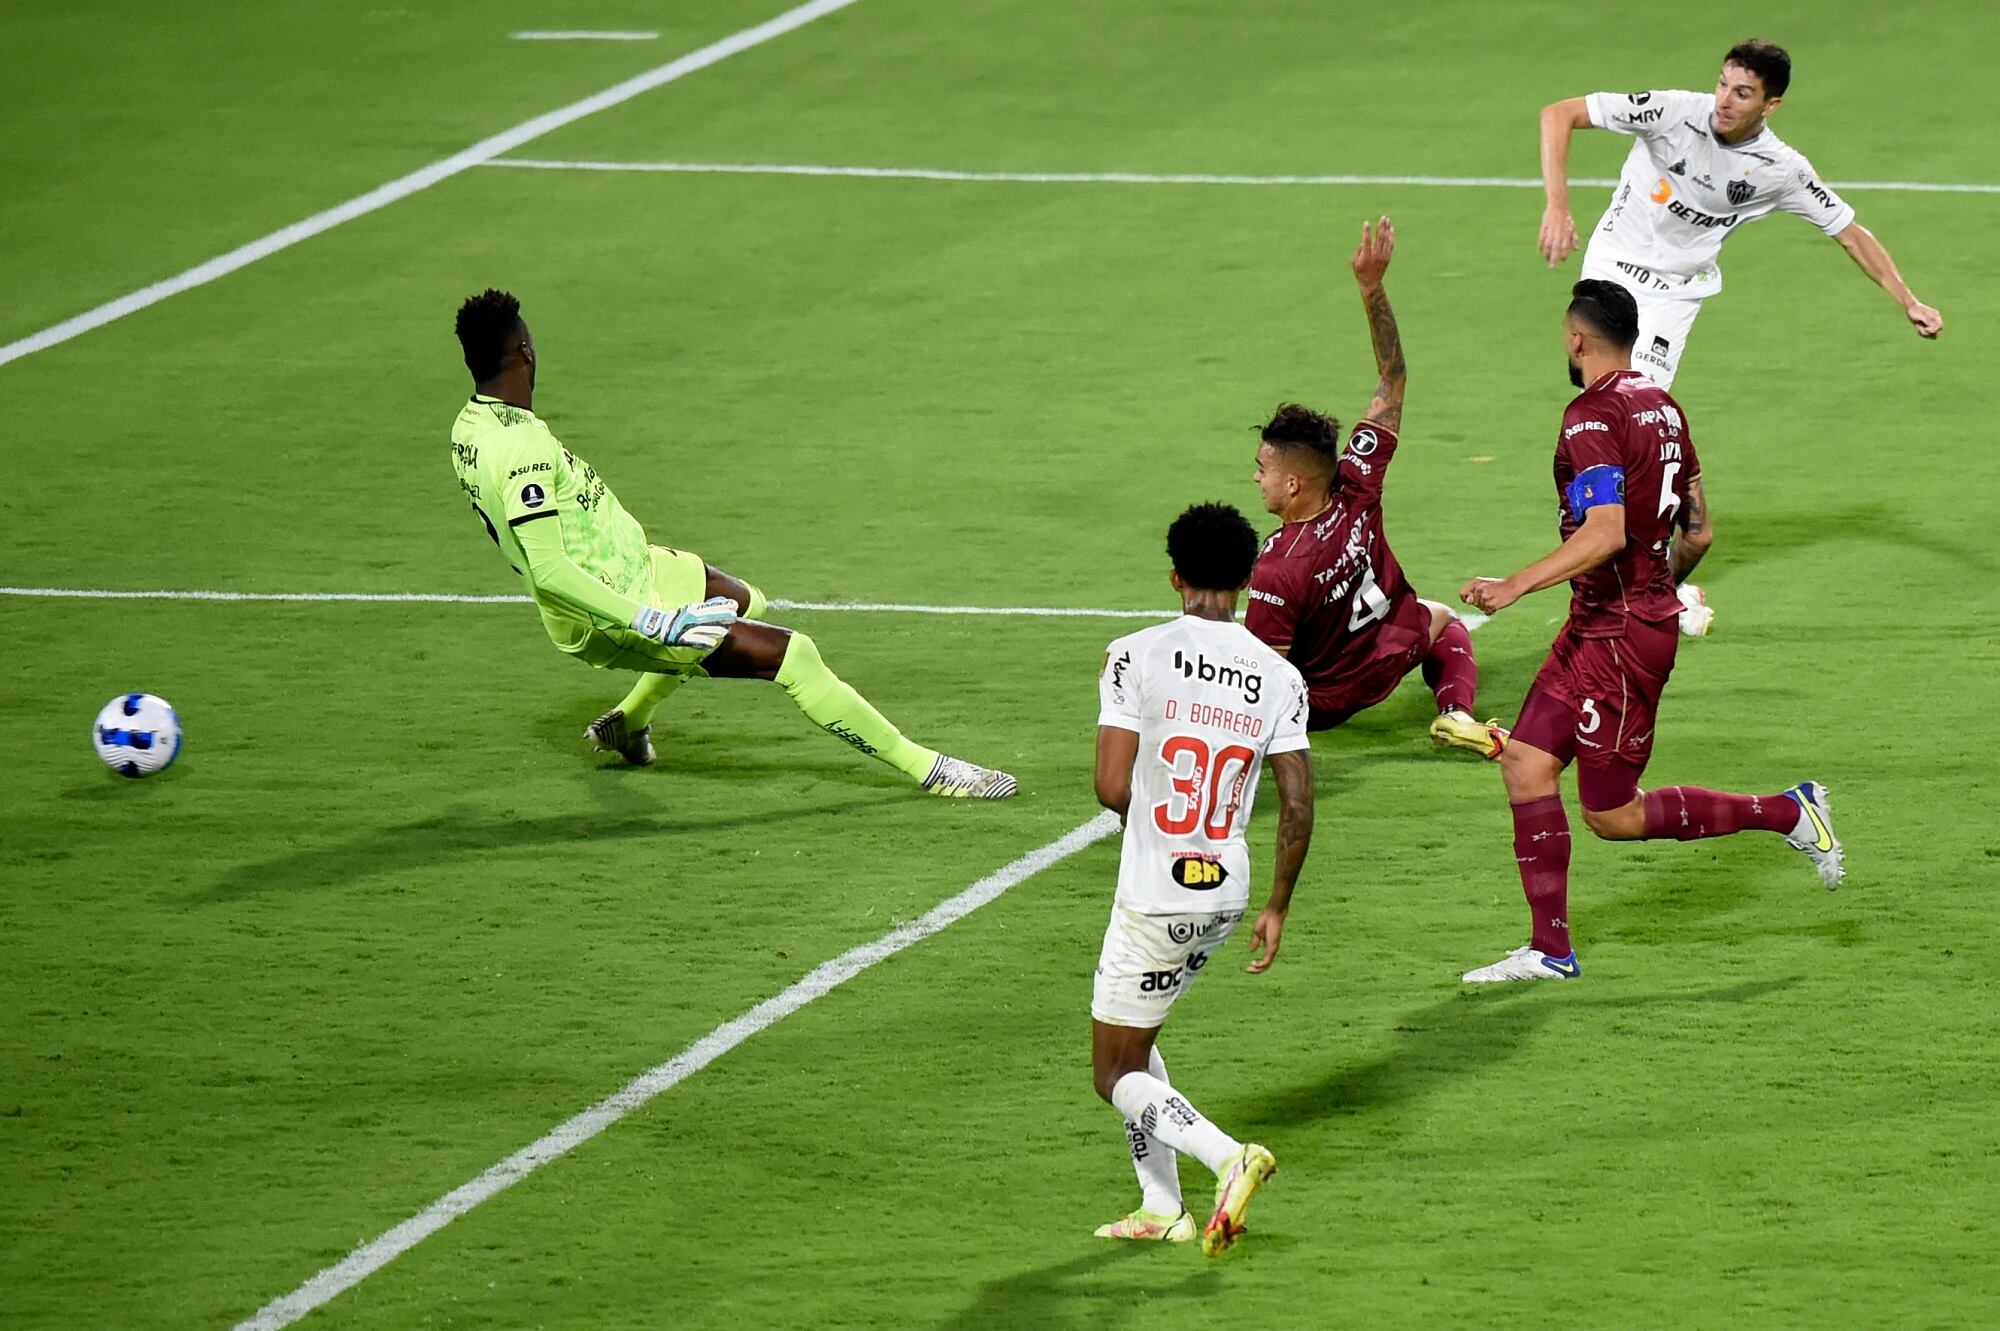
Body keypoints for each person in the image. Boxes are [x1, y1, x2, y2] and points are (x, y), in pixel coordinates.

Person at [447, 289, 1015, 797]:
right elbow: (549, 569)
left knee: (745, 601)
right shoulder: (522, 451)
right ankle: (933, 771)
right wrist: (652, 621)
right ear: (525, 351)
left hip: (636, 566)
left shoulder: (469, 431)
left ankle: (628, 722)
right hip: (613, 607)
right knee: (795, 656)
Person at [1456, 280, 1843, 983]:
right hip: (1600, 624)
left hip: (1621, 639)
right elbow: (1699, 529)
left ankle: (1790, 811)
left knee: (1613, 813)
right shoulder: (1663, 407)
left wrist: (1514, 585)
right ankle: (1551, 950)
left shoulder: (1589, 417)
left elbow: (1604, 532)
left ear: (1577, 339)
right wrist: (1662, 581)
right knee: (1525, 763)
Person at [1090, 501, 1314, 1255]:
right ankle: (1160, 1205)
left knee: (1111, 1070)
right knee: (1138, 1035)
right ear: (1250, 580)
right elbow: (1298, 799)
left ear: (1175, 575)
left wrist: (1149, 820)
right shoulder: (1279, 675)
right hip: (1228, 890)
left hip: (1157, 891)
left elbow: (1111, 785)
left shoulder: (1135, 653)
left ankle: (1229, 1157)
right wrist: (1279, 904)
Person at [1537, 38, 1942, 389]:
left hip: (1675, 293)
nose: (1724, 102)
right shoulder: (1670, 112)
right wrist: (1558, 208)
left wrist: (1909, 302)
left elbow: (1851, 233)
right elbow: (1559, 114)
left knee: (1641, 411)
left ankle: (1676, 477)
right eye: (1722, 84)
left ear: (1771, 105)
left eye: (1743, 94)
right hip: (1613, 267)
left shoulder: (1781, 169)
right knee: (1604, 399)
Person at [1246, 218, 1506, 759]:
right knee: (1443, 619)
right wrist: (1372, 288)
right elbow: (1393, 377)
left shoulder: (1277, 561)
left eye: (1263, 468)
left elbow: (1262, 673)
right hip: (1392, 649)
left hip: (1323, 703)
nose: (1256, 478)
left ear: (1293, 482)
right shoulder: (1357, 480)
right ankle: (1456, 713)